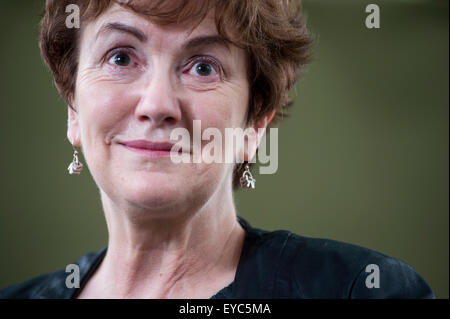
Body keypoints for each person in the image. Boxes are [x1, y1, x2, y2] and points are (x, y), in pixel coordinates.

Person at [0, 0, 434, 299]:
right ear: (73, 108)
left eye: (203, 66)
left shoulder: (360, 289)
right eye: (120, 58)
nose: (156, 105)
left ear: (254, 121)